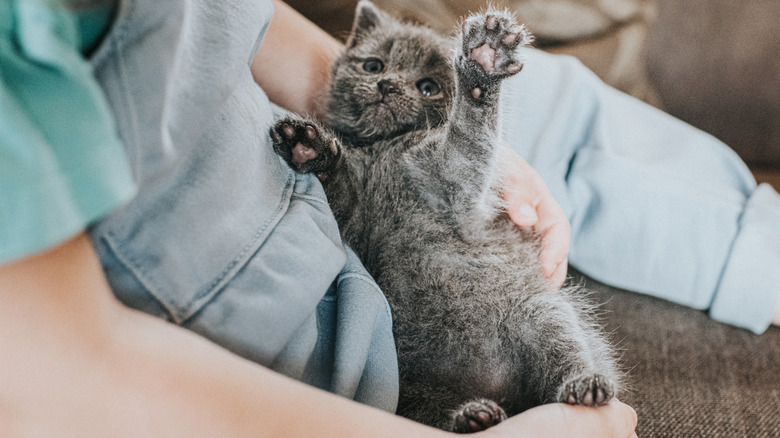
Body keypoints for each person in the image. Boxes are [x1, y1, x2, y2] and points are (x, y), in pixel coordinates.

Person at [0, 0, 638, 436]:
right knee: (575, 117)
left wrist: (345, 92)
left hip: (392, 244)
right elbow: (53, 377)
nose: (392, 84)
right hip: (359, 363)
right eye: (379, 71)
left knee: (568, 105)